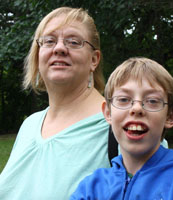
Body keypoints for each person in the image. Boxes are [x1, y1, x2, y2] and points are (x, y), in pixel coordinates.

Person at [0, 7, 110, 200]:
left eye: (73, 42)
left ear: (94, 59)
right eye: (49, 41)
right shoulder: (30, 125)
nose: (59, 48)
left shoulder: (121, 125)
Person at [70, 57, 173, 200]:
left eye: (152, 101)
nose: (136, 108)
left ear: (170, 116)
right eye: (124, 99)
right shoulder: (92, 187)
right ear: (108, 113)